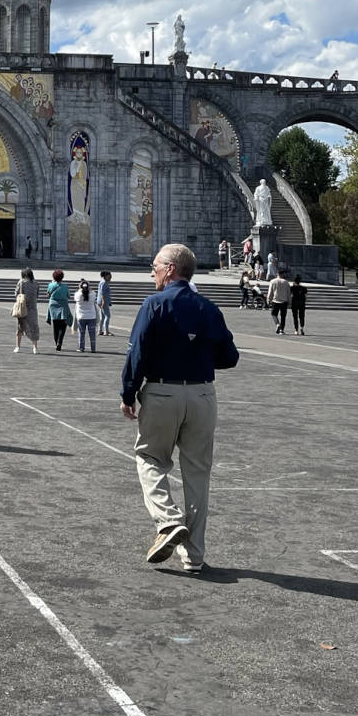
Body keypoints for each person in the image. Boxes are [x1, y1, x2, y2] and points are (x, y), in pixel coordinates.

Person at [119, 243, 239, 572]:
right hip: (203, 396)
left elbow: (137, 353)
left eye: (155, 267)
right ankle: (194, 555)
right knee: (198, 474)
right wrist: (198, 357)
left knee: (150, 458)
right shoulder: (209, 308)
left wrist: (128, 393)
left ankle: (169, 520)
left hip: (162, 393)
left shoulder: (154, 304)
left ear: (170, 269)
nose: (153, 273)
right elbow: (230, 356)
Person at [12, 267, 39, 353]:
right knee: (34, 327)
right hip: (33, 308)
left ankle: (17, 347)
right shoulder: (36, 283)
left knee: (20, 327)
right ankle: (35, 348)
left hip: (22, 307)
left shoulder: (21, 282)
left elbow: (16, 293)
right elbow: (37, 295)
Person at [45, 268, 71, 351]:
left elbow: (48, 295)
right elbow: (68, 296)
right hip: (63, 305)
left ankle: (56, 342)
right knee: (63, 326)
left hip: (53, 306)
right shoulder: (65, 286)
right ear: (62, 277)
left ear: (54, 277)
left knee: (55, 326)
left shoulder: (50, 285)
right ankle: (60, 342)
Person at [74, 279, 98, 352]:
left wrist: (80, 289)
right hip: (91, 316)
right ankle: (93, 348)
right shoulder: (93, 294)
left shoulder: (77, 294)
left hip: (81, 316)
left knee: (81, 333)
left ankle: (81, 348)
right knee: (92, 333)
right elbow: (94, 296)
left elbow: (76, 297)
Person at [266, 269, 292, 334]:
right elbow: (288, 293)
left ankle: (277, 324)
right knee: (283, 316)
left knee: (274, 314)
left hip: (275, 300)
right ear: (283, 274)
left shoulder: (273, 281)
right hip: (284, 301)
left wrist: (268, 299)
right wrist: (289, 301)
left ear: (277, 274)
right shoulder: (286, 282)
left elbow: (270, 291)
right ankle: (281, 330)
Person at [96, 270, 113, 336]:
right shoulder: (104, 283)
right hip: (103, 301)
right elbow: (102, 293)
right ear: (105, 276)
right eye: (109, 276)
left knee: (102, 316)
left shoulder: (102, 282)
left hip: (101, 301)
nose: (110, 278)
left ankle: (100, 330)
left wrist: (109, 302)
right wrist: (103, 302)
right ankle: (106, 331)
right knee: (107, 316)